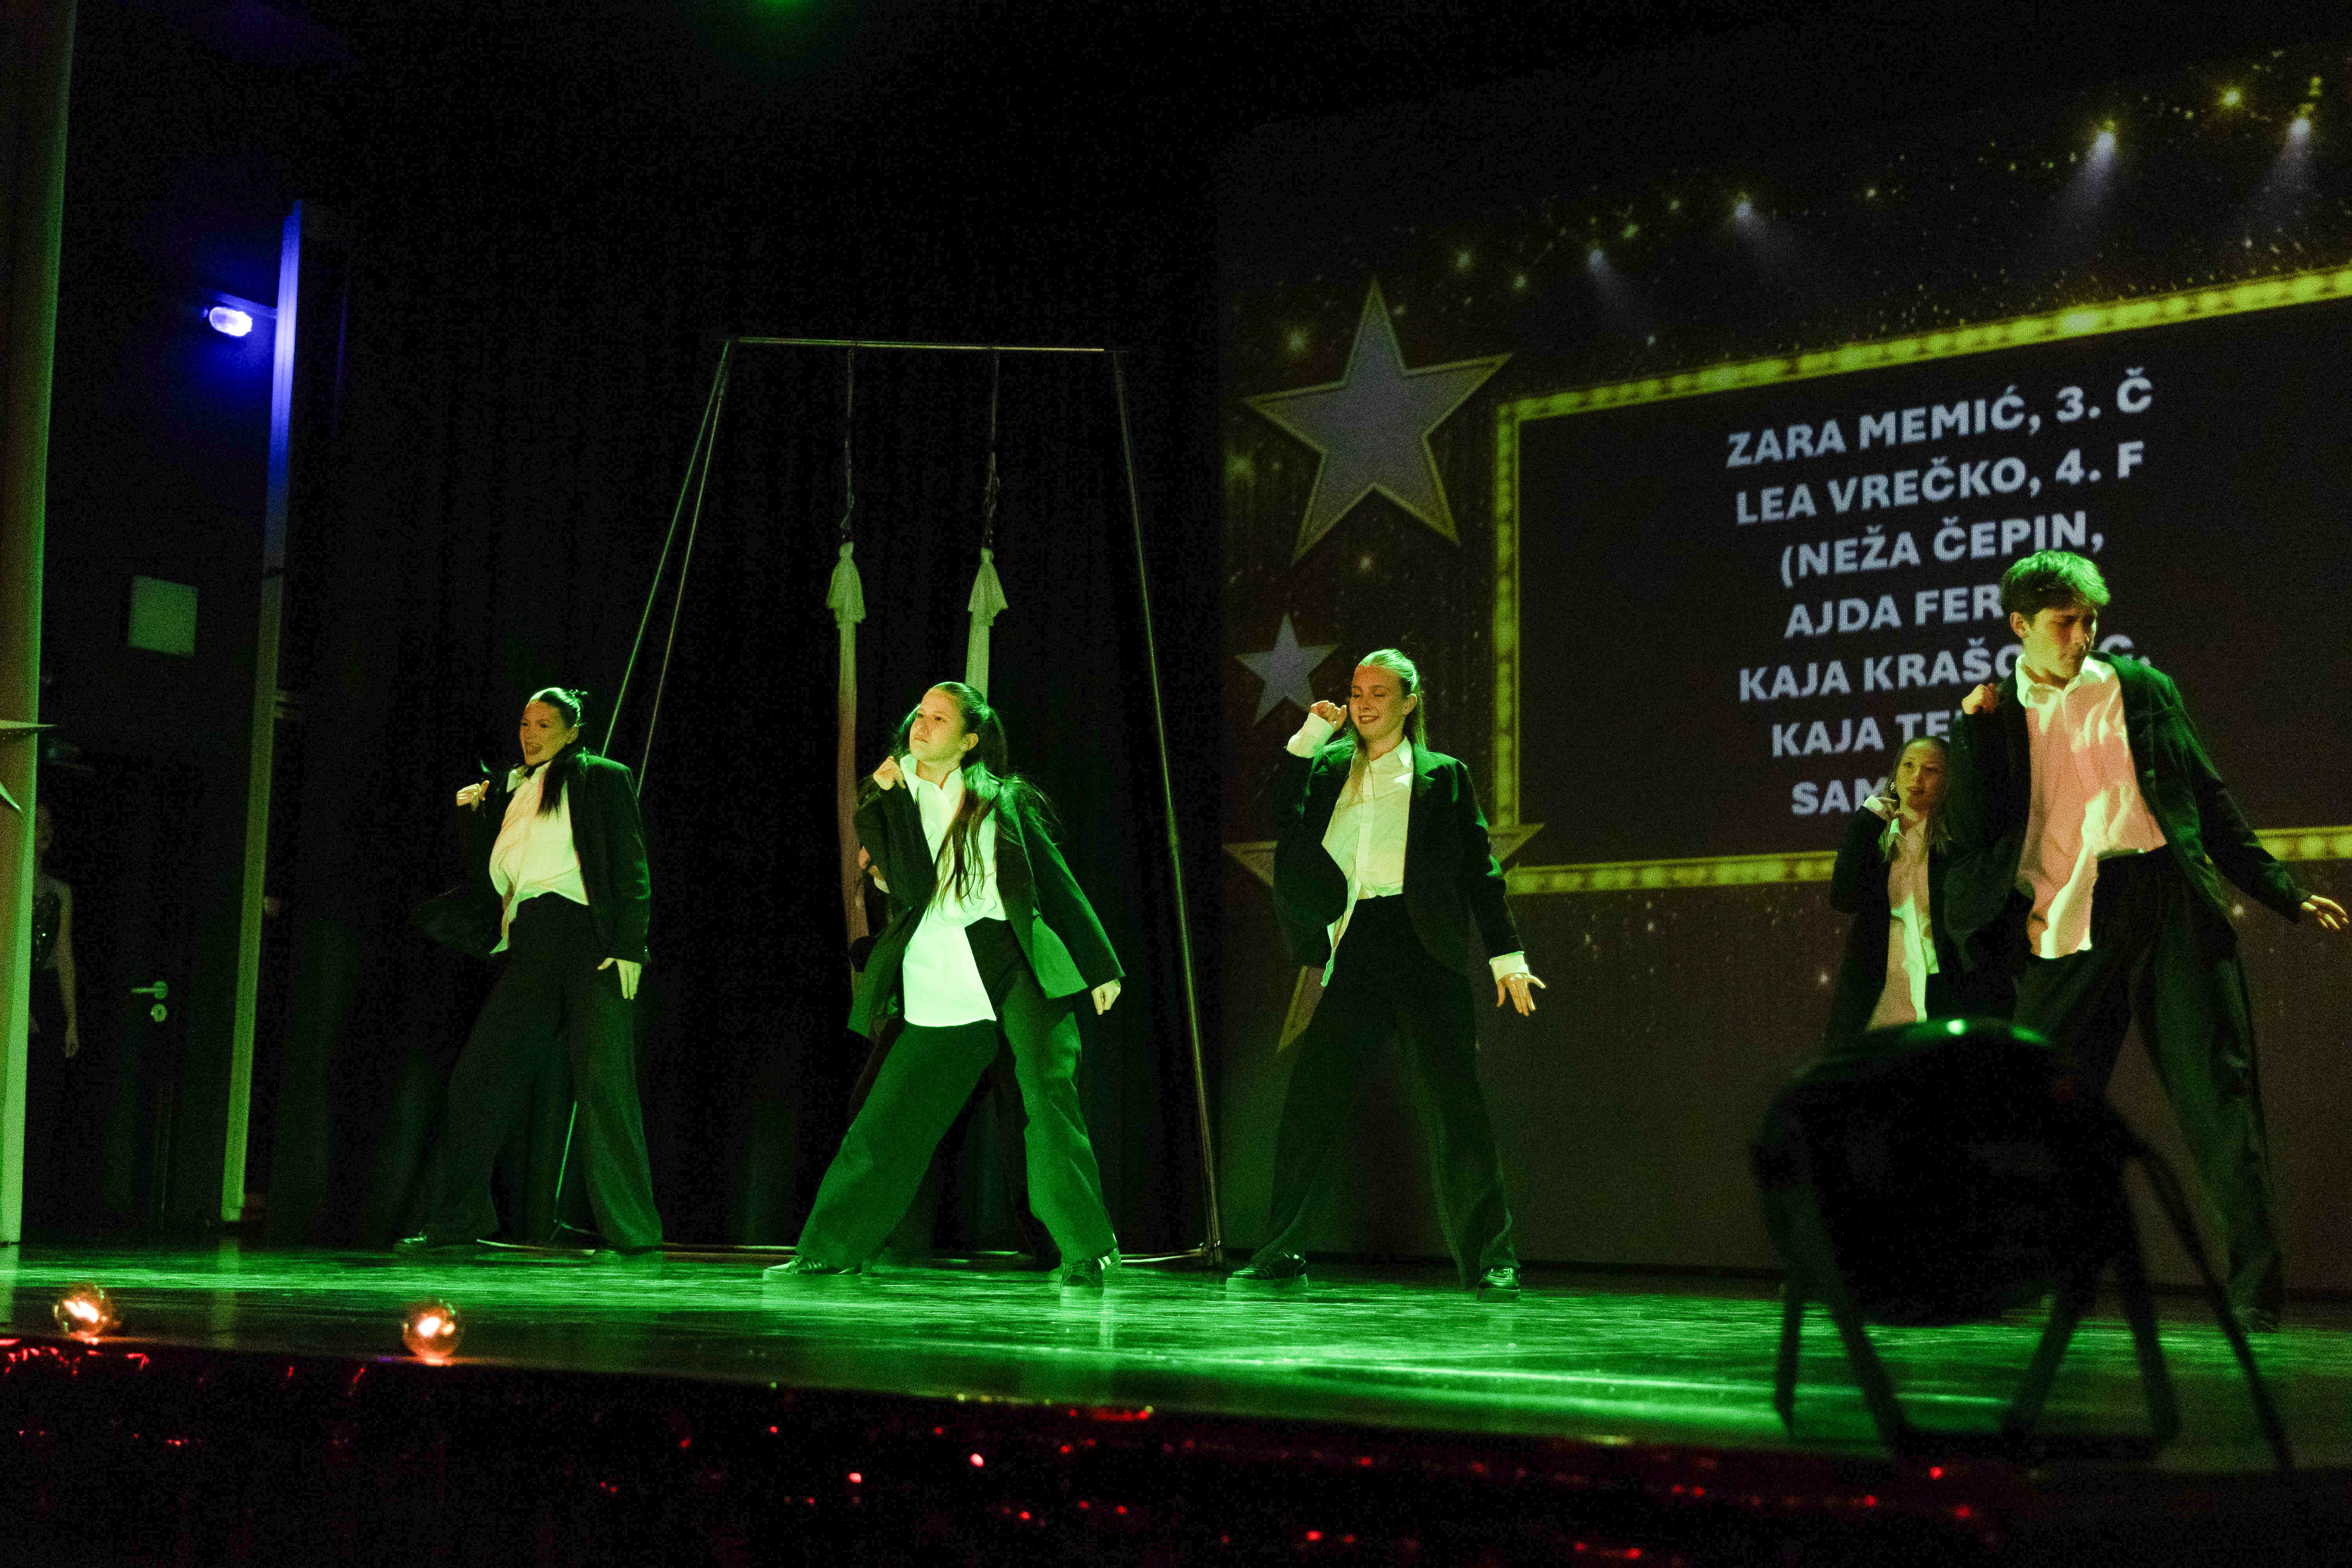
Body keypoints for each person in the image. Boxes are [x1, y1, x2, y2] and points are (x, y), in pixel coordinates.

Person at [1945, 551, 2347, 1330]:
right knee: (2040, 1104)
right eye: (2064, 621)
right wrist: (1973, 733)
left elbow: (2209, 799)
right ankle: (2040, 1274)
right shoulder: (1990, 717)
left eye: (2090, 620)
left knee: (2219, 1096)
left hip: (2168, 901)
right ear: (2020, 625)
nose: (2082, 635)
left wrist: (2283, 891)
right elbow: (1972, 836)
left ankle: (2256, 1288)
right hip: (2068, 914)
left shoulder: (2143, 688)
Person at [770, 682, 1125, 1290]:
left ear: (968, 741)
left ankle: (1089, 1249)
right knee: (891, 1115)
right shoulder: (882, 800)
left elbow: (1053, 881)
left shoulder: (1002, 799)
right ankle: (828, 1249)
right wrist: (894, 799)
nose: (923, 724)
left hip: (1014, 960)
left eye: (939, 719)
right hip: (938, 969)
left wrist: (1099, 964)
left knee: (1048, 1102)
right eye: (920, 715)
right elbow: (913, 886)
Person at [1229, 648, 1544, 1299]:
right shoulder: (1326, 769)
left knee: (1456, 1108)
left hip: (1423, 946)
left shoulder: (1443, 776)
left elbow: (1480, 871)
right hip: (1358, 941)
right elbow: (1276, 810)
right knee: (1311, 1102)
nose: (1365, 702)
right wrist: (1312, 734)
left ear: (1409, 702)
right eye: (1357, 690)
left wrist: (1506, 956)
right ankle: (1281, 1250)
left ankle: (1493, 1260)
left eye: (1379, 692)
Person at [401, 687, 662, 1257]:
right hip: (531, 943)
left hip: (590, 940)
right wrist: (474, 814)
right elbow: (493, 876)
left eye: (545, 724)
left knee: (604, 1088)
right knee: (478, 1081)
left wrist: (629, 946)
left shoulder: (603, 777)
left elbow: (631, 862)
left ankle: (634, 1233)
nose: (531, 733)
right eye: (525, 723)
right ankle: (459, 1219)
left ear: (573, 731)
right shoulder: (511, 791)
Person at [1821, 735, 2011, 1046]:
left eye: (1931, 770)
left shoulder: (1957, 843)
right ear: (1895, 775)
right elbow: (1843, 898)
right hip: (1881, 993)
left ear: (1948, 782)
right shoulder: (1874, 835)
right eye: (1908, 765)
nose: (1917, 776)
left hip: (1944, 992)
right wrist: (1866, 823)